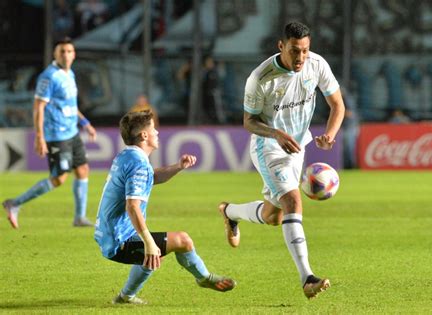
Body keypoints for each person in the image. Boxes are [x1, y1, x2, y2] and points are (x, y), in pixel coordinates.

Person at [218, 22, 345, 299]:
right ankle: (307, 278)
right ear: (281, 46)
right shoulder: (260, 78)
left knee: (273, 216)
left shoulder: (316, 65)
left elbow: (337, 104)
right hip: (268, 146)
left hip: (297, 146)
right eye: (294, 51)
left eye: (305, 50)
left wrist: (329, 135)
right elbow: (249, 122)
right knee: (293, 201)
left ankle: (229, 212)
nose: (301, 58)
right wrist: (275, 133)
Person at [95, 110, 236, 305]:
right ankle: (204, 278)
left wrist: (178, 167)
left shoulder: (128, 156)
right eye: (153, 128)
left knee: (153, 254)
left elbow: (151, 177)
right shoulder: (138, 164)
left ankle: (125, 297)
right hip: (119, 239)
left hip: (109, 234)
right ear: (144, 135)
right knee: (182, 241)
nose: (157, 132)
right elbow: (132, 206)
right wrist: (149, 242)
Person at [2, 37, 96, 229]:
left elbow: (70, 104)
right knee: (59, 178)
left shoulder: (69, 74)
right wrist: (39, 136)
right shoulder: (49, 76)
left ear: (74, 54)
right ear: (55, 54)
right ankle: (14, 203)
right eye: (62, 51)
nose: (66, 55)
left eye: (69, 51)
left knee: (82, 170)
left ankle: (79, 217)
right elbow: (38, 107)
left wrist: (85, 122)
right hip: (57, 134)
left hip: (72, 132)